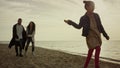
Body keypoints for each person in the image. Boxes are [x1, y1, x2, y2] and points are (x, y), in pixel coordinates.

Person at [64, 1, 109, 68]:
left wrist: (105, 35)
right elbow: (78, 26)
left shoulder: (96, 15)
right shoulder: (83, 18)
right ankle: (97, 66)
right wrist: (70, 22)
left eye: (94, 6)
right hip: (90, 35)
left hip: (97, 34)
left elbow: (100, 25)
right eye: (92, 6)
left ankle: (85, 66)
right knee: (98, 48)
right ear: (87, 7)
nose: (93, 8)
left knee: (90, 52)